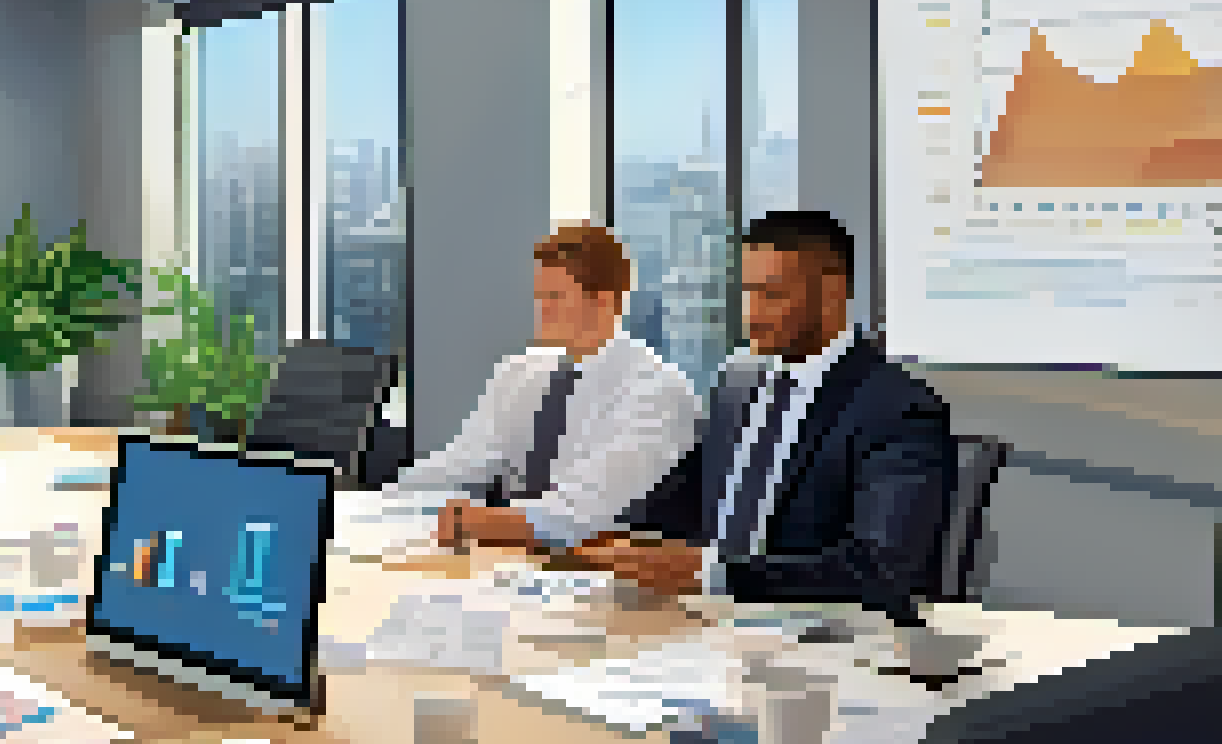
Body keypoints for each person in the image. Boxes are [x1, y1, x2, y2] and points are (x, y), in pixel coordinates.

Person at [575, 211, 954, 616]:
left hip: (822, 638)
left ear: (832, 295)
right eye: (746, 292)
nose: (751, 314)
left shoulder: (898, 408)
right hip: (706, 624)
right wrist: (619, 537)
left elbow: (879, 569)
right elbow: (689, 494)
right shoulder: (737, 379)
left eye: (771, 294)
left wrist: (713, 575)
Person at [374, 224, 701, 550]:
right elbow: (463, 461)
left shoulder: (657, 390)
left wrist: (479, 521)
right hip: (506, 556)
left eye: (555, 297)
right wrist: (379, 503)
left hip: (595, 565)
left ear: (603, 301)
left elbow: (588, 507)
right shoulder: (521, 371)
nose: (541, 309)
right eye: (540, 295)